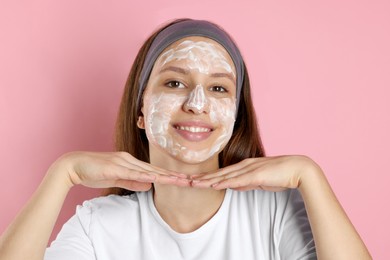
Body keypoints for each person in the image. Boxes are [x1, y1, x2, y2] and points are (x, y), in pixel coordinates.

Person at [0, 18, 371, 260]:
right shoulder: (99, 226)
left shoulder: (274, 211)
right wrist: (62, 173)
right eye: (175, 83)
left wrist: (311, 175)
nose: (197, 104)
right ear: (140, 111)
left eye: (218, 88)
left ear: (236, 115)